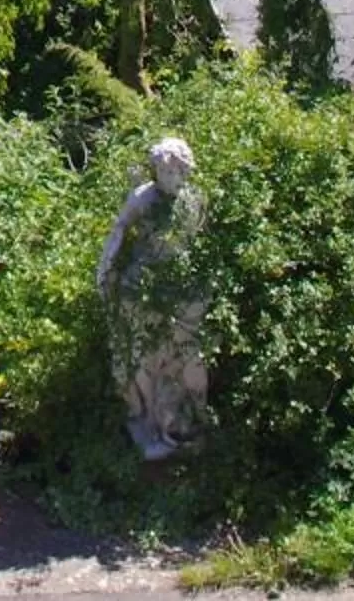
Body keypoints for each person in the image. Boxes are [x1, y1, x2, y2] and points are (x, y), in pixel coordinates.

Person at [95, 135, 209, 462]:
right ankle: (150, 421)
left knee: (185, 355)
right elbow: (118, 230)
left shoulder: (194, 200)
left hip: (181, 286)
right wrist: (105, 269)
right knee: (145, 354)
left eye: (176, 173)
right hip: (143, 286)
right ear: (156, 170)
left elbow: (198, 245)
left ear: (186, 172)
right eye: (164, 172)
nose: (171, 178)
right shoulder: (142, 198)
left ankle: (180, 421)